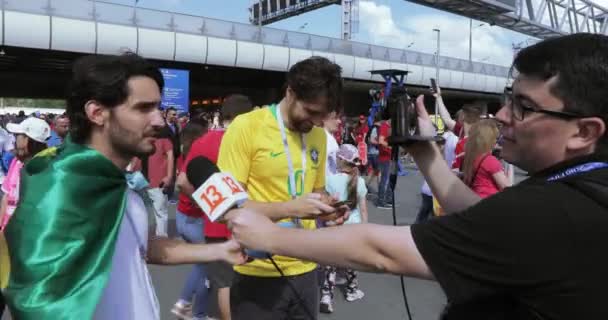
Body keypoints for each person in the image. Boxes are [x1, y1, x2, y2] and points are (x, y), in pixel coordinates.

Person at [227, 33, 608, 319]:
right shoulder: (583, 189)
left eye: (523, 107)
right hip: (259, 272)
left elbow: (380, 252)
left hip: (300, 265)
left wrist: (273, 234)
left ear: (585, 132)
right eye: (511, 98)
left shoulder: (552, 213)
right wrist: (424, 152)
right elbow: (476, 213)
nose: (504, 115)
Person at [1, 53, 246, 320]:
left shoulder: (111, 181)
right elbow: (39, 303)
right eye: (143, 108)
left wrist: (220, 250)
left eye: (158, 108)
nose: (160, 121)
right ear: (97, 113)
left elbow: (138, 248)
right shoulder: (62, 190)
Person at [218, 56, 346, 320]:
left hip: (307, 265)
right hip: (258, 269)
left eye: (322, 116)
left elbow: (317, 189)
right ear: (290, 92)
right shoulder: (246, 127)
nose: (316, 122)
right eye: (310, 112)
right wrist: (290, 208)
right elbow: (228, 208)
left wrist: (328, 209)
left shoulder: (319, 136)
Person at [174, 94, 253, 320]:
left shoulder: (205, 141)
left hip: (221, 227)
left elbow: (182, 181)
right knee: (230, 282)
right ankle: (191, 310)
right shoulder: (248, 141)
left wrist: (213, 207)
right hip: (243, 226)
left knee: (223, 283)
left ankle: (193, 310)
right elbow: (183, 181)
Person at [319, 144, 368, 313]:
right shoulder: (360, 182)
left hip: (334, 225)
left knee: (330, 263)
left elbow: (325, 204)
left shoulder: (330, 180)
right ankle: (352, 291)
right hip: (353, 228)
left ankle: (326, 296)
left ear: (340, 160)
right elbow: (363, 209)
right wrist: (365, 229)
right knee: (351, 261)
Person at [0, 117, 50, 231]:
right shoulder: (16, 162)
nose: (14, 139)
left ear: (27, 139)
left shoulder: (46, 167)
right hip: (8, 230)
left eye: (18, 135)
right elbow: (6, 196)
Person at [461, 119, 511, 198]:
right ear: (489, 139)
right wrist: (510, 167)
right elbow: (507, 188)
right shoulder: (490, 161)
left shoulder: (468, 157)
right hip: (490, 202)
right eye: (495, 138)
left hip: (474, 199)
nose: (496, 141)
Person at [375, 110, 393, 209]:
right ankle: (381, 202)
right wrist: (390, 147)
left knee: (390, 180)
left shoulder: (390, 127)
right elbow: (381, 141)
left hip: (391, 157)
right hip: (385, 158)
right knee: (385, 180)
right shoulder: (384, 126)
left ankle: (389, 200)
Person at [323, 111, 341, 177]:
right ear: (324, 119)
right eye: (336, 118)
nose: (339, 121)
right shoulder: (324, 139)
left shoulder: (331, 137)